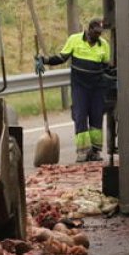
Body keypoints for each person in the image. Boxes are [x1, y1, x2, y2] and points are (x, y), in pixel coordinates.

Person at [37, 17, 115, 163]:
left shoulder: (103, 45)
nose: (97, 35)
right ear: (89, 30)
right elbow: (61, 58)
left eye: (100, 33)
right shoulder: (75, 40)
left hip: (97, 87)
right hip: (80, 87)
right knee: (80, 116)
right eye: (95, 32)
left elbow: (106, 68)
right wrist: (45, 60)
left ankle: (95, 151)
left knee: (96, 118)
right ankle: (82, 151)